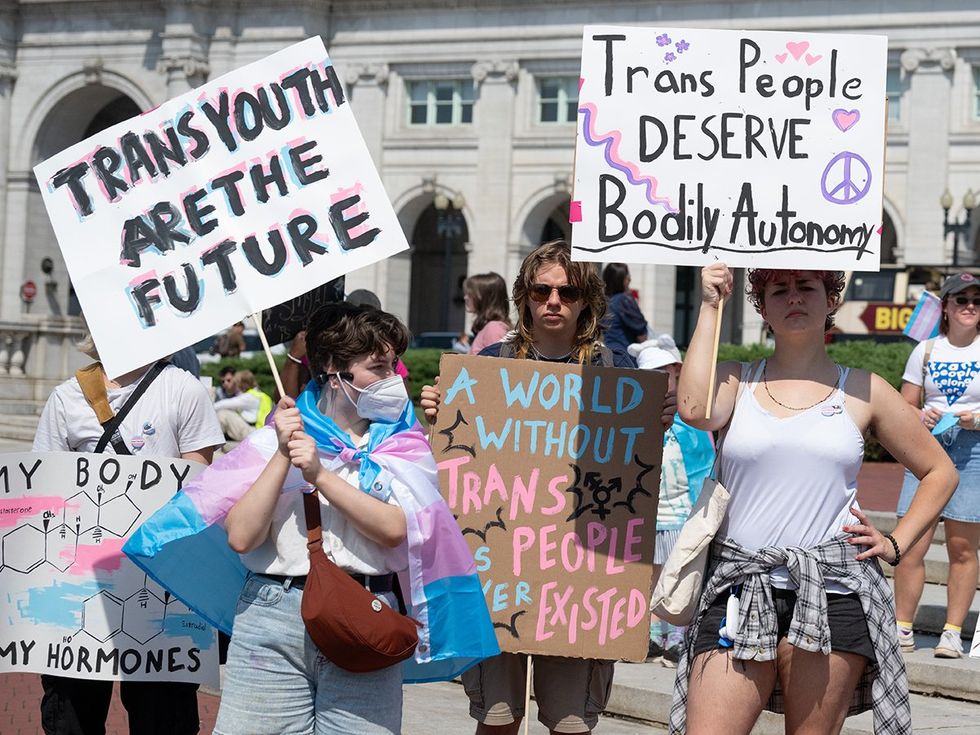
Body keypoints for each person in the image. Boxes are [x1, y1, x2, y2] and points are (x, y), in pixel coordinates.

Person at [673, 264, 958, 735]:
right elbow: (693, 409)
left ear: (832, 300)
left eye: (807, 287)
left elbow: (939, 472)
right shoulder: (736, 379)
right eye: (778, 289)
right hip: (741, 586)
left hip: (834, 591)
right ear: (761, 306)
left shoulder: (864, 389)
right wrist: (709, 305)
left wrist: (895, 544)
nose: (794, 298)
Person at [200, 303, 495, 734]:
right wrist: (283, 454)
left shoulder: (402, 441)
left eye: (394, 365)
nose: (393, 378)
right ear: (334, 368)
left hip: (366, 619)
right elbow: (242, 536)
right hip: (274, 616)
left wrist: (319, 475)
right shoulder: (277, 436)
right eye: (378, 366)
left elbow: (395, 528)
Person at [421, 240, 671, 735]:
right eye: (542, 290)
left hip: (579, 583)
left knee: (571, 724)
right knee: (497, 720)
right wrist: (437, 417)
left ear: (586, 300)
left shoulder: (614, 372)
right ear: (525, 297)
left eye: (567, 290)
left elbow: (631, 469)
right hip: (497, 576)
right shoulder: (489, 367)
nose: (553, 301)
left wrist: (653, 422)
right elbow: (453, 468)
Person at [33, 331, 224, 735]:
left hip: (163, 589)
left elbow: (200, 488)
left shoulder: (182, 390)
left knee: (163, 720)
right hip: (80, 592)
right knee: (71, 720)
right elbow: (45, 492)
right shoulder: (67, 398)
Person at [894, 272, 980, 658]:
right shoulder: (926, 350)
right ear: (944, 307)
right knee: (910, 543)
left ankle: (951, 632)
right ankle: (902, 627)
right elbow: (903, 406)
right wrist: (919, 416)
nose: (969, 307)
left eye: (977, 300)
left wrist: (974, 420)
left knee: (962, 548)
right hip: (926, 450)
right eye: (960, 300)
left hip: (972, 450)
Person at [628, 335, 714, 668]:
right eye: (653, 376)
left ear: (678, 372)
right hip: (650, 515)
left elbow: (707, 464)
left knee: (677, 575)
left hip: (683, 515)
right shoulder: (636, 421)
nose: (661, 384)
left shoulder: (694, 421)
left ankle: (676, 637)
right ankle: (651, 635)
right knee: (651, 577)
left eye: (665, 375)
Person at [213, 370, 272, 445]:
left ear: (243, 384)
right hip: (261, 431)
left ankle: (212, 443)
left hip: (253, 432)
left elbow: (223, 404)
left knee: (223, 414)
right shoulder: (260, 395)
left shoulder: (249, 397)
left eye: (236, 383)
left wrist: (207, 408)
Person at [601, 263, 648, 355]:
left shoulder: (602, 302)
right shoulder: (624, 300)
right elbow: (641, 333)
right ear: (620, 280)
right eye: (627, 276)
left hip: (606, 356)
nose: (630, 279)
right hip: (625, 356)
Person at [463, 272, 512, 354]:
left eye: (470, 294)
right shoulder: (489, 327)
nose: (465, 297)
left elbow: (497, 365)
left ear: (484, 297)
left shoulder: (494, 328)